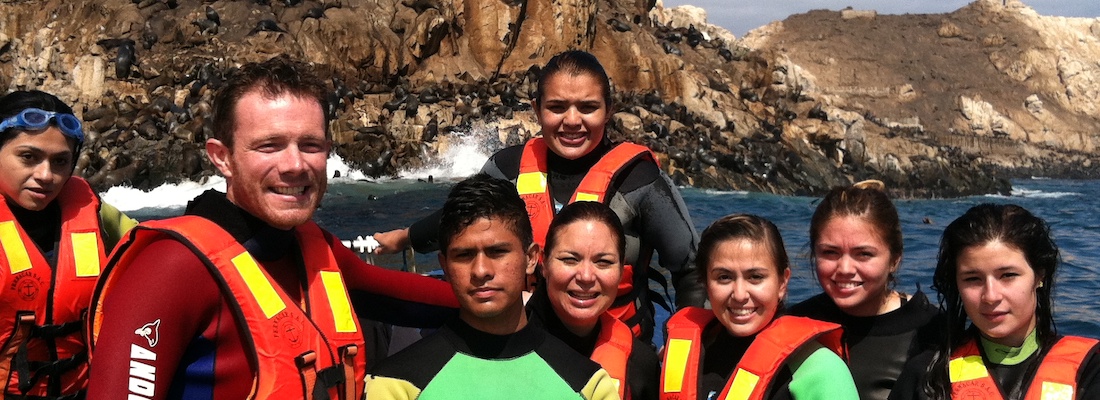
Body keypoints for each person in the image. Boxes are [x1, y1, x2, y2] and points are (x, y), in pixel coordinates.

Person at [85, 55, 458, 400]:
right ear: (222, 158)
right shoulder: (170, 270)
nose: (295, 164)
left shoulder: (315, 248)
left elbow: (416, 299)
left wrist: (511, 293)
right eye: (269, 146)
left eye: (310, 145)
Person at [372, 50, 704, 343]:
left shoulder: (641, 180)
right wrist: (403, 238)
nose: (572, 121)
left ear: (609, 111)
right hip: (524, 346)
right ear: (536, 109)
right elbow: (456, 220)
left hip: (614, 355)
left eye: (588, 107)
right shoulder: (508, 169)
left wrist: (682, 347)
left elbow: (691, 271)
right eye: (557, 107)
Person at [365, 174, 619, 400]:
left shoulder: (590, 387)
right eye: (464, 255)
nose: (480, 271)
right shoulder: (395, 387)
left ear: (531, 258)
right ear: (444, 265)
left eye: (497, 252)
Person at [0, 90, 136, 398]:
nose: (46, 175)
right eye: (28, 157)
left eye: (60, 161)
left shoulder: (94, 213)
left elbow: (157, 252)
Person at [889, 204, 1100, 400]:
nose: (990, 296)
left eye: (1008, 275)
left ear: (1039, 276)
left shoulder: (1091, 370)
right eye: (973, 279)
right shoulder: (928, 376)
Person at [660, 214, 857, 400]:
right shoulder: (682, 354)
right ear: (705, 283)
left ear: (782, 283)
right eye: (724, 277)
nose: (739, 295)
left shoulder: (820, 369)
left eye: (755, 277)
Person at [788, 180, 943, 400]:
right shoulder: (793, 324)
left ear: (894, 260)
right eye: (830, 253)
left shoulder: (933, 330)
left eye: (864, 254)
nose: (845, 269)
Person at [526, 201, 660, 400]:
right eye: (570, 259)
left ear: (622, 270)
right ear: (543, 263)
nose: (586, 276)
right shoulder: (499, 341)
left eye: (603, 262)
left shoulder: (640, 365)